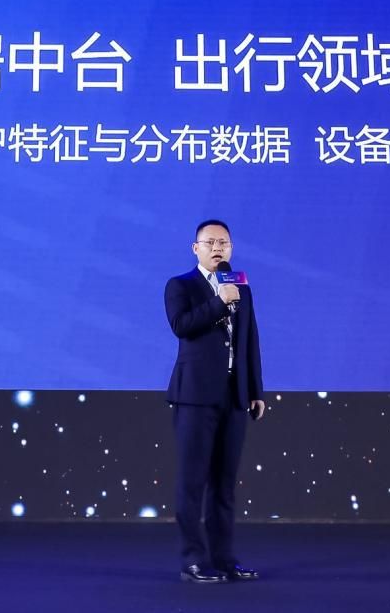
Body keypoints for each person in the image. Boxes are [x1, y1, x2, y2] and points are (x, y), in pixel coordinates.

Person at [164, 219, 265, 583]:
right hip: (195, 397)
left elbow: (249, 339)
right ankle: (193, 560)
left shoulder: (241, 287)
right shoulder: (181, 285)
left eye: (223, 242)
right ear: (196, 249)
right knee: (193, 482)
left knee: (224, 484)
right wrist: (220, 303)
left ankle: (224, 559)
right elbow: (181, 325)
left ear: (231, 248)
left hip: (234, 396)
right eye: (210, 242)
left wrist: (255, 390)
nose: (217, 248)